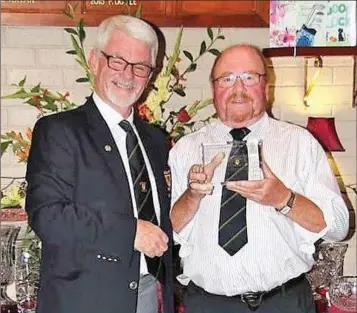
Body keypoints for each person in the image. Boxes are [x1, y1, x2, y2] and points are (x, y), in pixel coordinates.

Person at [169, 44, 349, 313]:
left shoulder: (300, 143)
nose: (238, 88)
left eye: (249, 77)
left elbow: (338, 227)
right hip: (208, 305)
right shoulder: (185, 149)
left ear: (266, 87)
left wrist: (284, 199)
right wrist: (192, 196)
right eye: (227, 78)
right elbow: (170, 230)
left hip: (284, 303)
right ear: (214, 89)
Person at [25, 15, 174, 313]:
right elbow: (48, 216)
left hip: (151, 296)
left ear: (151, 75)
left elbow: (164, 221)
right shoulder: (59, 131)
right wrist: (129, 232)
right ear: (94, 60)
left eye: (140, 66)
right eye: (117, 60)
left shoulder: (156, 140)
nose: (128, 75)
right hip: (84, 300)